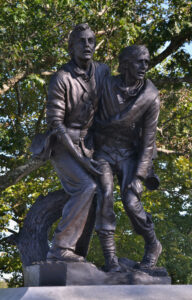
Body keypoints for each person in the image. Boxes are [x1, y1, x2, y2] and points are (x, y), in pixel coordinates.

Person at [94, 45, 162, 271]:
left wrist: (140, 176)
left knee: (131, 202)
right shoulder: (105, 85)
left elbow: (149, 141)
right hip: (103, 150)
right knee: (104, 195)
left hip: (129, 154)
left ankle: (153, 245)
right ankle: (110, 259)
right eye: (139, 61)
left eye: (147, 62)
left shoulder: (151, 96)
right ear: (125, 65)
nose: (145, 66)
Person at [45, 23, 109, 262]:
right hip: (63, 145)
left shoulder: (101, 71)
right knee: (86, 187)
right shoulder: (61, 79)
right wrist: (80, 157)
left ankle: (77, 252)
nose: (87, 45)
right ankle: (59, 248)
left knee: (105, 190)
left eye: (91, 41)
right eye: (81, 41)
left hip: (91, 142)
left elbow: (111, 105)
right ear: (70, 48)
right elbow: (56, 124)